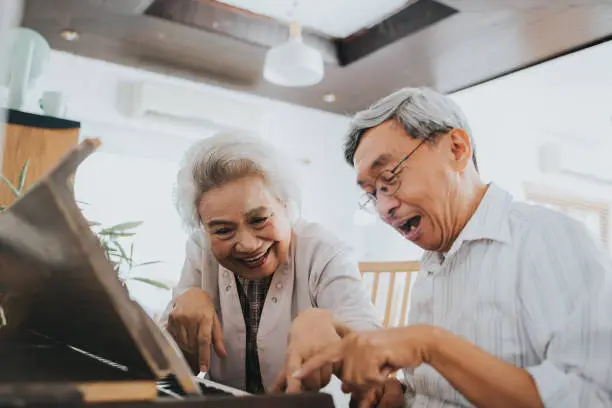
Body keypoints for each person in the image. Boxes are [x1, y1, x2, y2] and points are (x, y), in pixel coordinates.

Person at [294, 87, 612, 407]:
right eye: (373, 193)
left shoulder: (550, 240)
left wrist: (430, 345)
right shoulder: (434, 262)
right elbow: (440, 392)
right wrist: (399, 394)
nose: (383, 208)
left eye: (389, 177)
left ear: (457, 149)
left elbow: (593, 398)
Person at [161, 132, 380, 394]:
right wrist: (185, 306)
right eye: (222, 230)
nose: (247, 244)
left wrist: (327, 323)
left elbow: (372, 346)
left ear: (284, 205)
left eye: (259, 219)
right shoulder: (200, 249)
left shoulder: (324, 250)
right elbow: (169, 365)